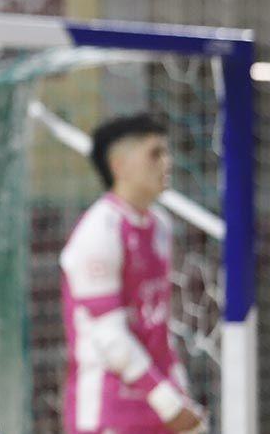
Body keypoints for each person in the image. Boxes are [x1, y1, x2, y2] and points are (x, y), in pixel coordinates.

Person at [60, 114, 205, 433]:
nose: (167, 163)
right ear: (119, 165)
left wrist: (181, 395)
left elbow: (157, 327)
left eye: (167, 153)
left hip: (156, 410)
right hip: (107, 412)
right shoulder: (98, 231)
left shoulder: (159, 226)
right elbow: (109, 337)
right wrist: (169, 402)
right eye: (155, 153)